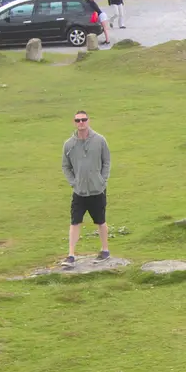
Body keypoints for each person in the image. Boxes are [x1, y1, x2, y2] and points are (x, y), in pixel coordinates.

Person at [61, 111, 110, 266]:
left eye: (83, 120)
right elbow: (65, 166)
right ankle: (71, 255)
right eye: (78, 120)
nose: (81, 122)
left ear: (89, 121)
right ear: (74, 122)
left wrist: (102, 180)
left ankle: (105, 250)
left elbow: (106, 161)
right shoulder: (69, 144)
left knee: (100, 221)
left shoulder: (100, 140)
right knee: (75, 222)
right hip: (79, 191)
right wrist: (73, 182)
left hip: (97, 189)